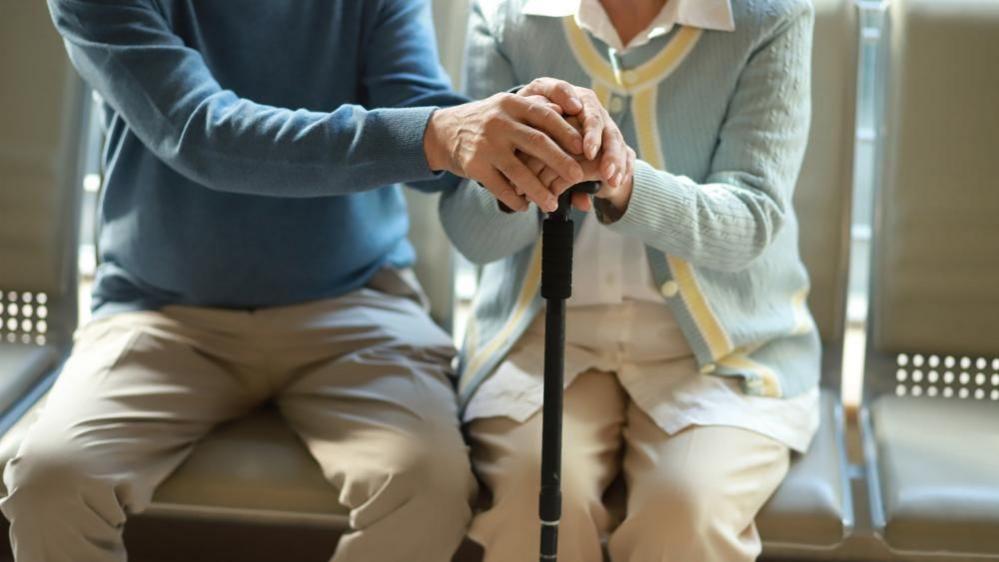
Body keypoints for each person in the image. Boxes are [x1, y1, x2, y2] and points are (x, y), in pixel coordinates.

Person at [0, 1, 629, 561]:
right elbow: (200, 133)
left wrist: (524, 126)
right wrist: (442, 135)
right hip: (159, 312)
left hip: (356, 303)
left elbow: (427, 126)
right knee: (48, 486)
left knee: (430, 488)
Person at [439, 0, 818, 560]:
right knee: (535, 502)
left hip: (722, 354)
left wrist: (624, 183)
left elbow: (751, 219)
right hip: (541, 340)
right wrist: (520, 168)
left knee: (686, 513)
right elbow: (473, 237)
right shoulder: (505, 14)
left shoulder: (769, 16)